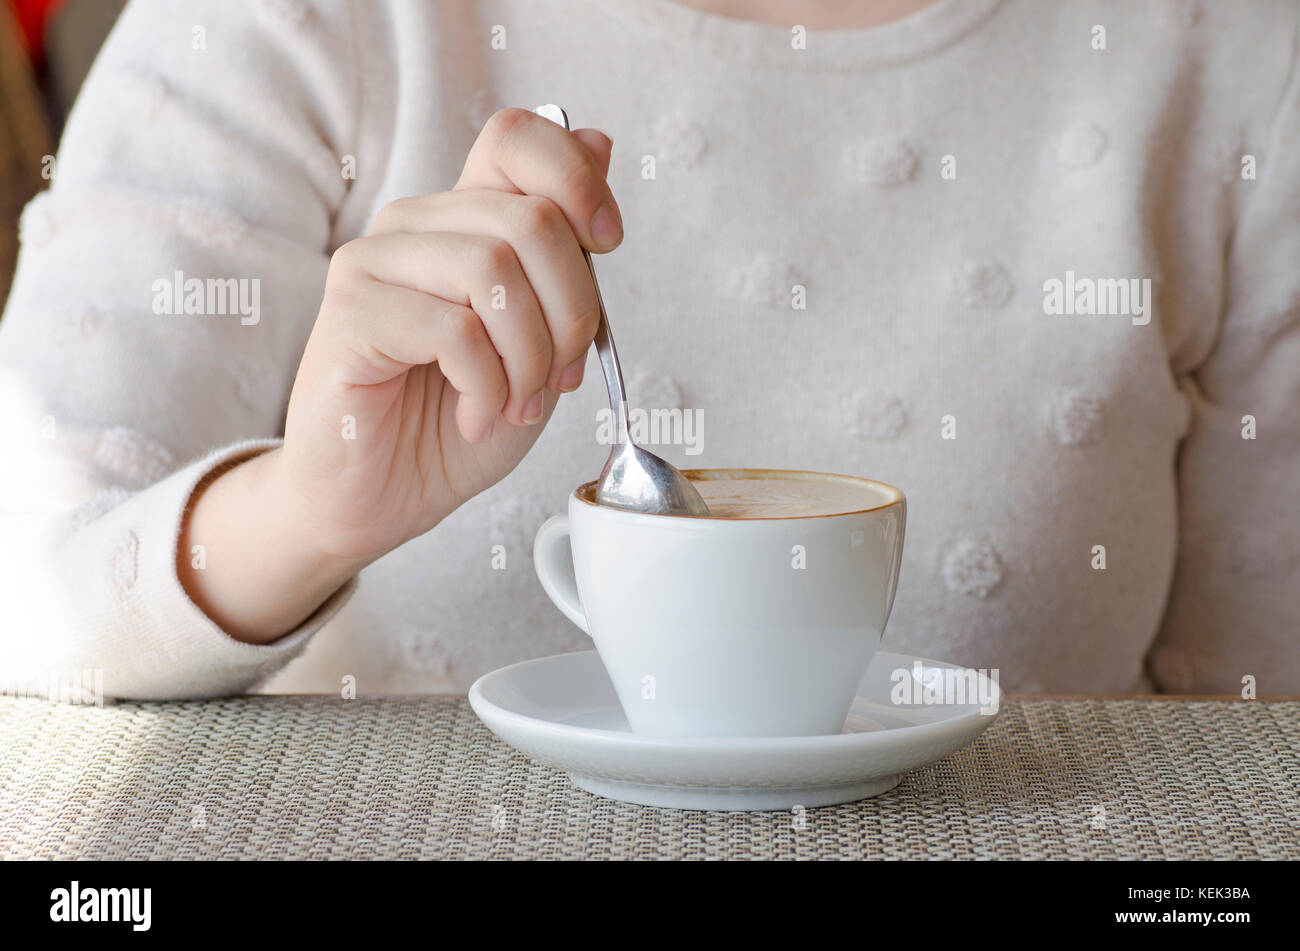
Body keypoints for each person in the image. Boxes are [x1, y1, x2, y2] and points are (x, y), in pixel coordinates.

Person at [1, 0, 1296, 701]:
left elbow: (1258, 733)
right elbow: (30, 589)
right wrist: (303, 515)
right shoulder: (298, 20)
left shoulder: (1231, 52)